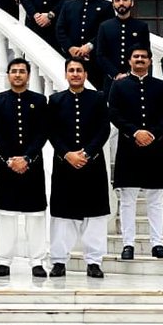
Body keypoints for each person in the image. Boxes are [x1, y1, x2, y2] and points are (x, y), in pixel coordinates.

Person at [109, 46, 163, 260]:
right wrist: (135, 132)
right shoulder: (119, 86)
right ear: (129, 60)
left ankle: (157, 243)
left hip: (155, 148)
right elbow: (114, 113)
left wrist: (152, 134)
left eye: (144, 57)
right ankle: (128, 244)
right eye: (136, 56)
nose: (140, 59)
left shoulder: (160, 86)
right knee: (128, 199)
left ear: (150, 61)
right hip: (129, 147)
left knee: (155, 199)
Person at [48, 59, 111, 279]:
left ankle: (94, 261)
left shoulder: (98, 98)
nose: (75, 74)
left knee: (95, 215)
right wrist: (68, 154)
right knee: (62, 216)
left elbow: (104, 129)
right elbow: (51, 131)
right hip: (64, 165)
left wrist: (87, 153)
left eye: (79, 70)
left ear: (85, 74)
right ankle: (58, 261)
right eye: (71, 70)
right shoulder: (55, 100)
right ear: (66, 74)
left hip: (92, 164)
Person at [0, 58, 49, 278]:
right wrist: (10, 159)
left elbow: (42, 132)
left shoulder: (40, 101)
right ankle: (4, 261)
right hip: (7, 166)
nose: (17, 75)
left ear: (28, 76)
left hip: (32, 166)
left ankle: (37, 261)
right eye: (13, 71)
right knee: (5, 215)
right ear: (8, 75)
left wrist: (27, 158)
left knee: (35, 216)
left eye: (22, 71)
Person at [55, 0, 114, 88]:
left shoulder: (106, 6)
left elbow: (107, 31)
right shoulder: (68, 5)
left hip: (96, 60)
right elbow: (60, 29)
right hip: (71, 59)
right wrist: (70, 48)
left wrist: (90, 46)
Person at [96, 0, 151, 93]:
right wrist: (116, 74)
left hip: (136, 79)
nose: (121, 3)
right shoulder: (105, 26)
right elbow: (100, 55)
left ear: (132, 2)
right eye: (117, 0)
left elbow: (146, 53)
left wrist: (130, 74)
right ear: (113, 4)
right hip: (111, 80)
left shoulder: (141, 26)